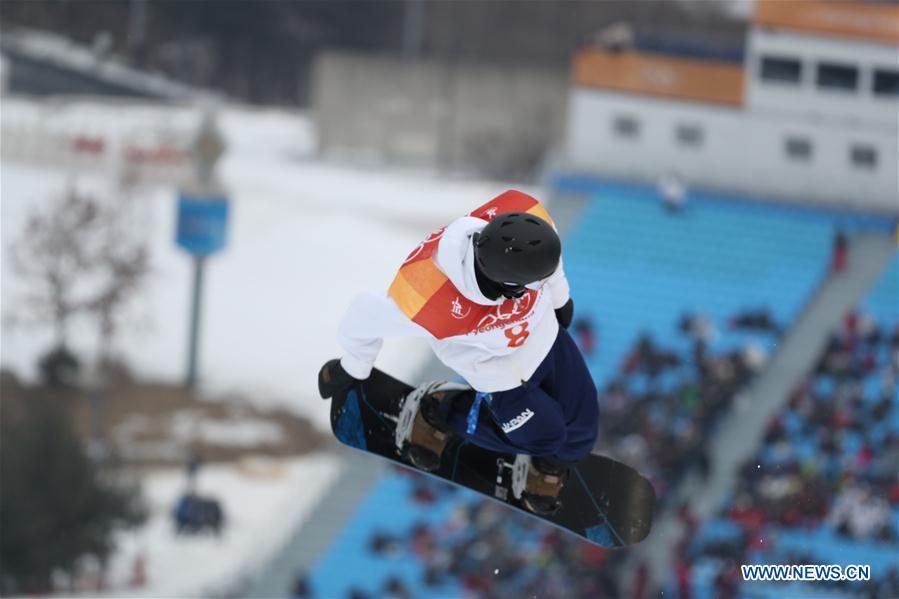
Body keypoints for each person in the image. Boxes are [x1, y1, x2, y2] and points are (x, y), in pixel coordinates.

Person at [319, 190, 599, 515]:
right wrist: (353, 367)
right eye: (532, 284)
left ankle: (547, 465)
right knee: (544, 435)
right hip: (495, 370)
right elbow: (363, 315)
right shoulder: (430, 297)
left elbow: (551, 264)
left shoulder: (526, 216)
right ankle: (438, 409)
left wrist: (560, 299)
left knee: (581, 430)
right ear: (508, 286)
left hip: (542, 338)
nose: (541, 284)